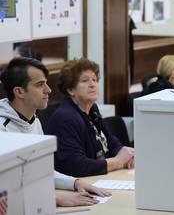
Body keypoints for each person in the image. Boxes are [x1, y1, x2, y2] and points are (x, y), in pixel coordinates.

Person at [0, 57, 111, 207]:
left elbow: (40, 171)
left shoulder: (34, 121)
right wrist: (56, 199)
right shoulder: (3, 129)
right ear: (19, 92)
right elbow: (7, 188)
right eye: (40, 85)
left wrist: (75, 183)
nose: (48, 90)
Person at [45, 58, 134, 177]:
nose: (92, 84)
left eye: (95, 80)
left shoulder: (92, 109)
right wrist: (118, 161)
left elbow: (110, 141)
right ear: (71, 89)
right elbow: (76, 166)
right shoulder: (65, 118)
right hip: (79, 184)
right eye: (85, 81)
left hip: (101, 176)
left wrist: (125, 153)